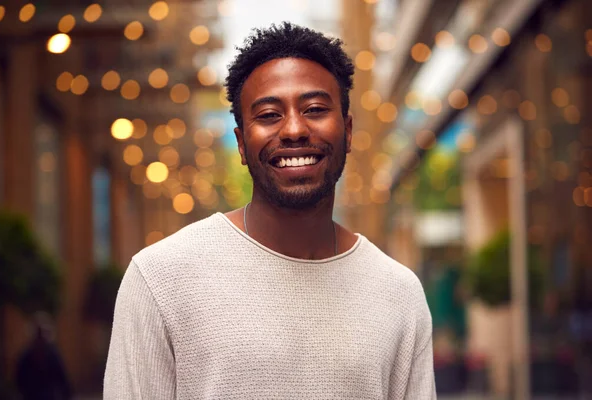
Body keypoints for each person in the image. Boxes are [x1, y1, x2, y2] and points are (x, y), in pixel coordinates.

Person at [104, 22, 435, 399]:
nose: (294, 129)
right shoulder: (160, 280)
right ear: (242, 144)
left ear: (348, 130)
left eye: (314, 109)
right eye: (268, 115)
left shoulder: (398, 293)